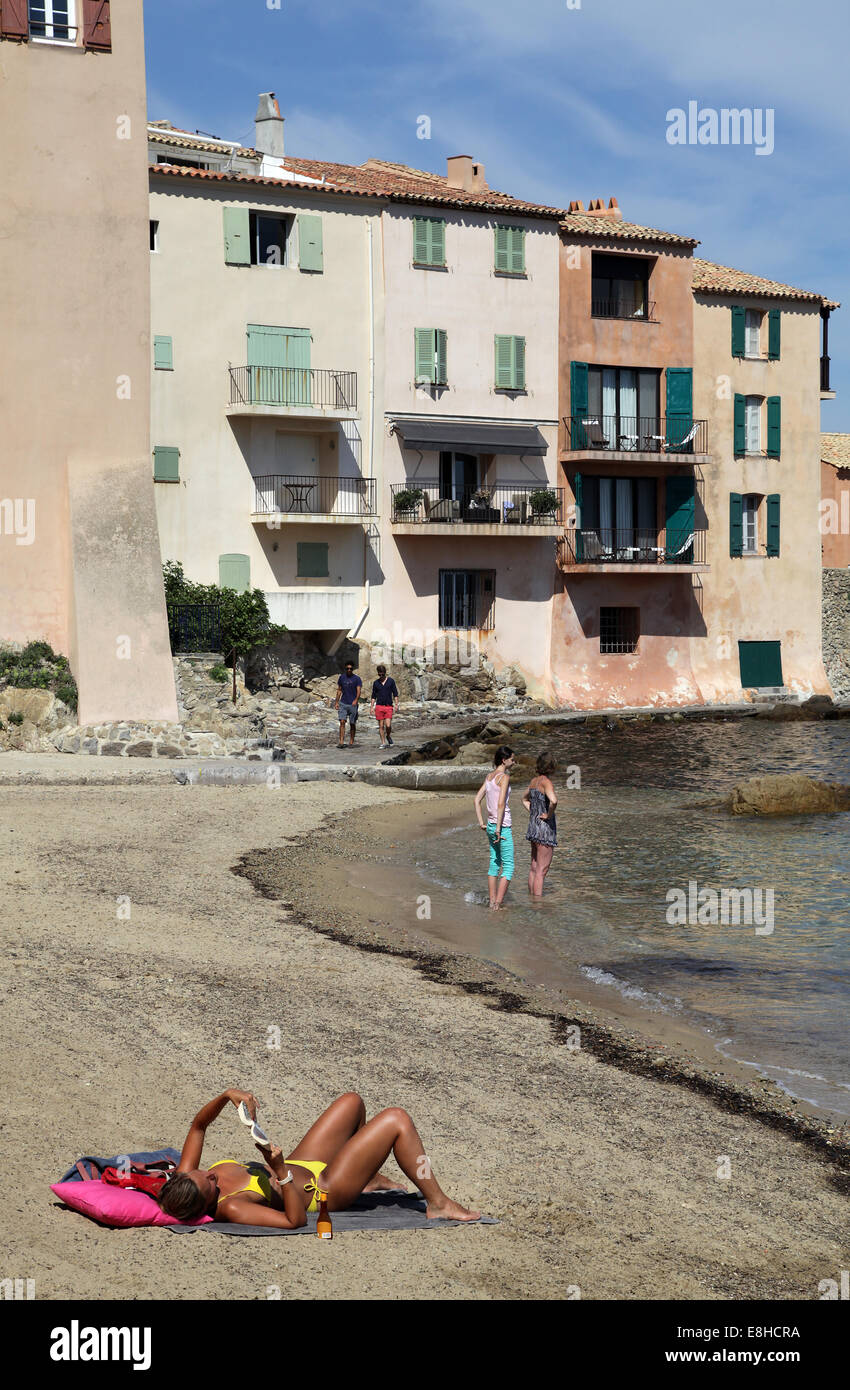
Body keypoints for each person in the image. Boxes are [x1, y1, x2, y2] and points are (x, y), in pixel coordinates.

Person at [157, 1088, 480, 1227]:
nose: (212, 1177)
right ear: (206, 1206)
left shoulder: (187, 1175)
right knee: (397, 1120)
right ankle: (438, 1204)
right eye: (211, 1186)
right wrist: (280, 1170)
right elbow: (292, 1220)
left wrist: (228, 1096)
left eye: (205, 1173)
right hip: (324, 1189)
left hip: (303, 1161)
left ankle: (367, 1178)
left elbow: (199, 1125)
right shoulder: (231, 1206)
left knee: (352, 1102)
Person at [474, 746, 516, 910]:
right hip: (501, 826)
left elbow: (476, 800)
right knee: (509, 866)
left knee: (494, 862)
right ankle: (497, 904)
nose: (514, 762)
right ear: (504, 760)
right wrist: (499, 828)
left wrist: (481, 823)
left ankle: (492, 902)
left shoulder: (489, 777)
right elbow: (500, 804)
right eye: (512, 759)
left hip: (490, 825)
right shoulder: (504, 777)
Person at [522, 752, 559, 899]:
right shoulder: (546, 782)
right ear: (551, 767)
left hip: (533, 826)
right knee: (542, 870)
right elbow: (554, 801)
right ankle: (537, 903)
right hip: (544, 829)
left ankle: (531, 898)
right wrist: (548, 815)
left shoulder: (533, 781)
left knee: (534, 867)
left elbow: (524, 799)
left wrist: (533, 812)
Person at [370, 663, 399, 747]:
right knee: (381, 726)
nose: (381, 675)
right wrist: (371, 707)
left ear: (385, 673)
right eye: (380, 673)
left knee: (388, 725)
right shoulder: (376, 683)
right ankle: (383, 742)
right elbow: (373, 696)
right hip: (379, 706)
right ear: (378, 673)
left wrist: (396, 704)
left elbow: (395, 693)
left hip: (388, 706)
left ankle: (388, 736)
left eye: (382, 673)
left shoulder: (391, 681)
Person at [335, 661, 362, 748]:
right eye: (347, 668)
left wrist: (356, 700)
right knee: (342, 721)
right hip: (343, 703)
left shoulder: (357, 679)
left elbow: (358, 690)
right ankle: (341, 741)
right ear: (345, 669)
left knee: (352, 723)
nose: (349, 670)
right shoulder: (341, 678)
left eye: (351, 668)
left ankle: (351, 740)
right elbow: (339, 690)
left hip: (352, 704)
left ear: (353, 669)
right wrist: (336, 702)